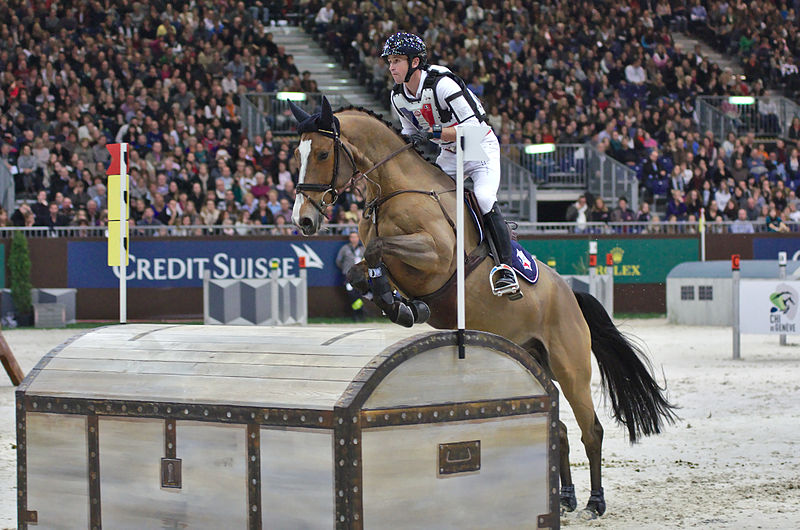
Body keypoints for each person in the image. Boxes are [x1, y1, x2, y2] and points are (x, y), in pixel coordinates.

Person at [382, 32, 517, 295]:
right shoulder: (397, 97)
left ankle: (505, 268)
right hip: (450, 153)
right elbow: (409, 133)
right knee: (426, 197)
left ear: (415, 62)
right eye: (389, 61)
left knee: (484, 198)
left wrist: (432, 134)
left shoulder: (443, 85)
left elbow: (474, 126)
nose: (391, 67)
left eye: (397, 60)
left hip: (479, 145)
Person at [335, 231, 366, 322]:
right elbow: (338, 261)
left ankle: (358, 312)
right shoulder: (345, 248)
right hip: (348, 276)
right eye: (352, 237)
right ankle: (357, 312)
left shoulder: (362, 249)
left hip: (360, 276)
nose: (353, 239)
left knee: (359, 293)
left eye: (355, 237)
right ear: (349, 238)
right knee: (351, 293)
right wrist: (346, 269)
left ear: (358, 238)